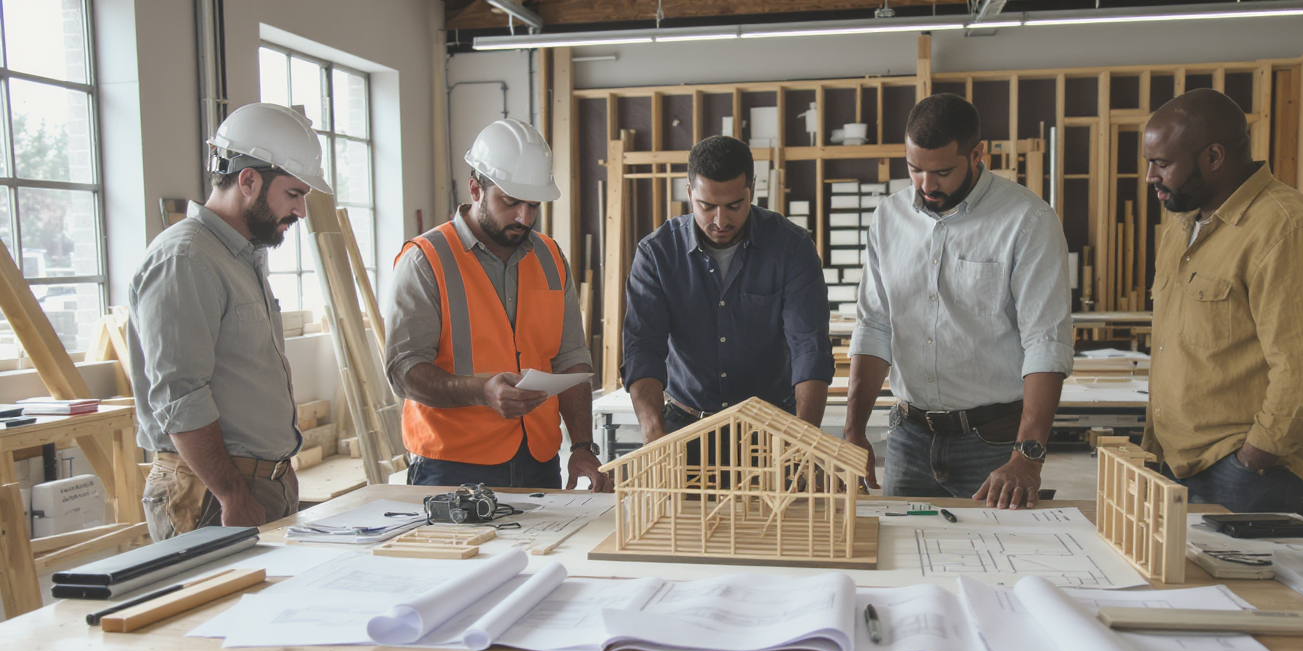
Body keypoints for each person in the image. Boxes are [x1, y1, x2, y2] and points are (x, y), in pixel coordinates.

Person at [843, 93, 1072, 509]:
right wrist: (853, 431)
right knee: (900, 545)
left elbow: (1046, 343)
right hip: (908, 438)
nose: (926, 185)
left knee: (994, 550)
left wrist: (1027, 456)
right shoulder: (889, 218)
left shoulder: (1027, 220)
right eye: (915, 169)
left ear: (977, 154)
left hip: (993, 443)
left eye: (942, 172)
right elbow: (874, 326)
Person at [1141, 89, 1303, 517]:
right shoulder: (1183, 225)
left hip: (1249, 473)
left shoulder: (1289, 231)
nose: (1150, 176)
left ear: (1214, 156)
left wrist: (1256, 456)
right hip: (1178, 460)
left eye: (1162, 163)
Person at [130, 103, 330, 541]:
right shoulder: (187, 259)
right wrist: (231, 493)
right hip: (211, 492)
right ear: (249, 181)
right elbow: (180, 395)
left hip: (256, 482)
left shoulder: (239, 257)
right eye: (293, 194)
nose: (300, 211)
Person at [385, 119, 609, 491]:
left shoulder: (550, 257)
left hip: (539, 461)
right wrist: (481, 392)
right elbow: (402, 370)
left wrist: (582, 446)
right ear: (476, 189)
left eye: (533, 205)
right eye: (510, 202)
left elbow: (570, 358)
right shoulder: (426, 260)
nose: (525, 217)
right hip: (451, 467)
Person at [623, 135, 833, 442]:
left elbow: (809, 346)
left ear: (752, 191)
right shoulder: (657, 253)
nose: (720, 221)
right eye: (706, 206)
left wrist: (807, 437)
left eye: (734, 206)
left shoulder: (791, 247)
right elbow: (643, 348)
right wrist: (654, 433)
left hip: (771, 425)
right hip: (686, 424)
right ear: (689, 192)